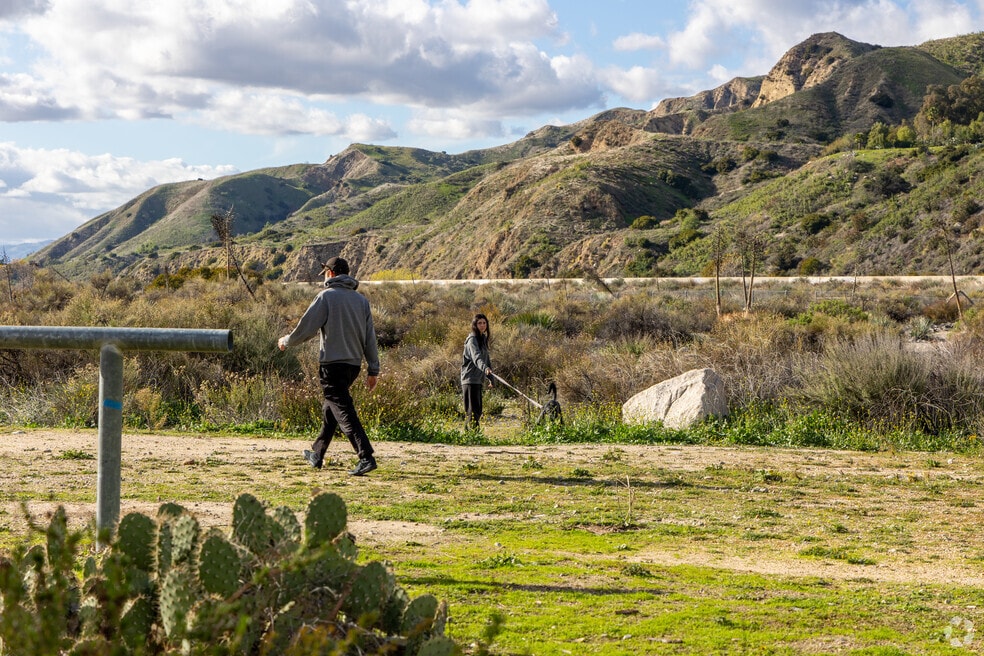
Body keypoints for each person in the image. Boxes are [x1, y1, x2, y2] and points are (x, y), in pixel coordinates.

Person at [278, 256, 379, 476]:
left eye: (325, 272)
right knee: (331, 408)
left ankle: (365, 456)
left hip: (332, 365)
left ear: (331, 273)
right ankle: (317, 453)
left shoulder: (326, 297)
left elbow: (307, 328)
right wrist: (373, 369)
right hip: (353, 366)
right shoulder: (361, 301)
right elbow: (370, 338)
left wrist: (286, 341)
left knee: (342, 409)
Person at [460, 313, 493, 430]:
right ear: (475, 325)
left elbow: (486, 359)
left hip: (478, 380)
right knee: (472, 410)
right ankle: (473, 436)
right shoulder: (472, 340)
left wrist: (490, 378)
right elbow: (476, 357)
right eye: (479, 323)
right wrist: (484, 368)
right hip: (469, 379)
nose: (482, 325)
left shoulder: (482, 339)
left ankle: (470, 435)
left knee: (477, 410)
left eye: (484, 323)